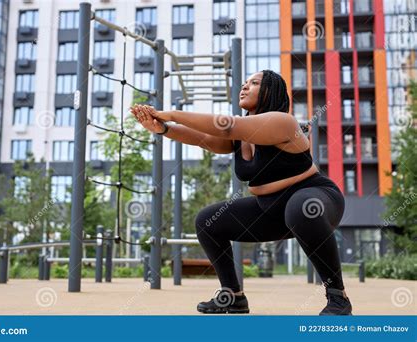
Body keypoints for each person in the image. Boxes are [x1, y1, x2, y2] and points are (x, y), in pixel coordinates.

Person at [130, 69, 352, 315]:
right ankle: (233, 296)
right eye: (244, 83)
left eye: (254, 83)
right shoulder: (240, 136)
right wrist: (162, 128)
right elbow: (203, 138)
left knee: (299, 207)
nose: (244, 87)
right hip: (272, 210)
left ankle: (337, 298)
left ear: (270, 91)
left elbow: (225, 126)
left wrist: (170, 113)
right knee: (207, 221)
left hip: (315, 199)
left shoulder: (283, 121)